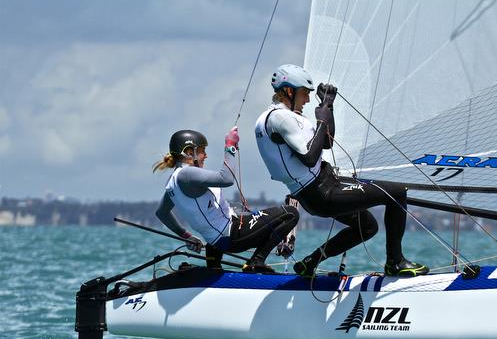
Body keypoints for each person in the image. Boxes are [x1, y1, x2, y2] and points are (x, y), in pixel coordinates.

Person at [254, 63, 429, 278]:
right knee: (397, 192)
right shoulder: (280, 118)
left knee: (367, 226)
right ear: (288, 91)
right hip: (321, 193)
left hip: (320, 189)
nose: (307, 100)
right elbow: (309, 158)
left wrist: (329, 107)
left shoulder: (275, 117)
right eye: (303, 94)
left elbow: (326, 142)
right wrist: (321, 120)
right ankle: (395, 262)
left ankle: (310, 262)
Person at [153, 127, 299, 273]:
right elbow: (226, 179)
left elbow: (162, 213)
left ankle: (213, 268)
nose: (206, 155)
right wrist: (230, 146)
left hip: (214, 243)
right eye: (203, 150)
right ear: (189, 152)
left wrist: (186, 236)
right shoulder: (187, 174)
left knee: (240, 215)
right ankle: (256, 261)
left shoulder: (172, 182)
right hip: (232, 236)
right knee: (291, 214)